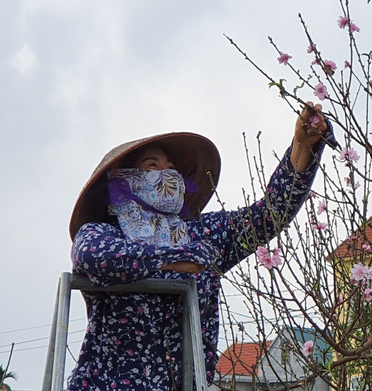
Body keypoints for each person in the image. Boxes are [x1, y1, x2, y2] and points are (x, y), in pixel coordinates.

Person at [66, 103, 332, 390]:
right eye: (152, 166)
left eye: (171, 168)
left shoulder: (201, 234)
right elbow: (91, 255)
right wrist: (173, 259)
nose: (167, 173)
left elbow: (269, 215)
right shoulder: (103, 233)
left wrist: (302, 148)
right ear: (125, 179)